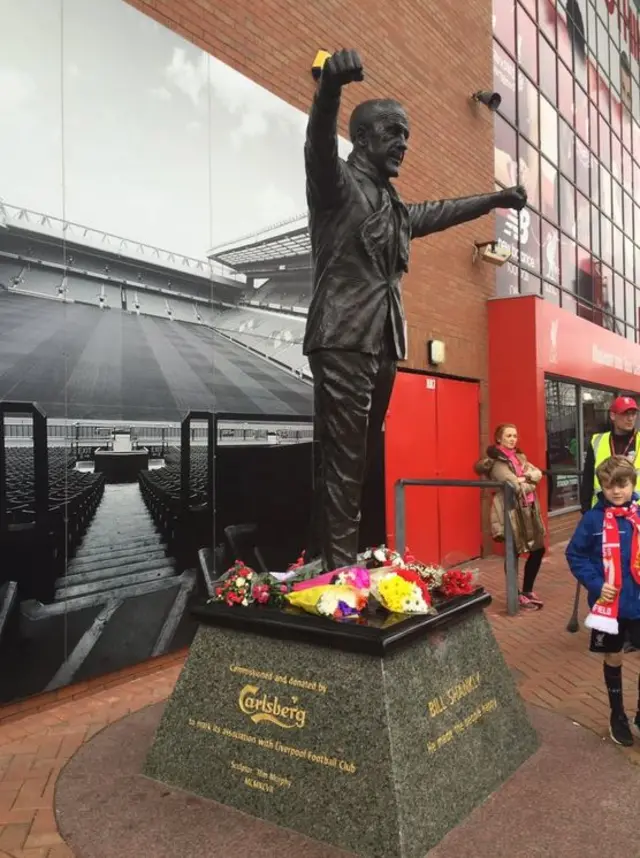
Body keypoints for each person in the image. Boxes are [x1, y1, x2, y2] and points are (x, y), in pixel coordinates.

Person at [304, 48, 528, 572]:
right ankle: (340, 575)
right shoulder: (336, 186)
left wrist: (493, 202)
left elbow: (441, 212)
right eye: (392, 132)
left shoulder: (394, 205)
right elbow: (316, 145)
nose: (403, 142)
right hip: (342, 336)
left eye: (405, 133)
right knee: (344, 463)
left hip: (380, 342)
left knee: (354, 463)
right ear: (362, 138)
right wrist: (330, 89)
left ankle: (329, 558)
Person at [566, 455, 640, 746]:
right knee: (614, 656)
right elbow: (575, 554)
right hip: (610, 607)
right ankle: (617, 714)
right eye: (609, 486)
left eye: (622, 485)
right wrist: (597, 584)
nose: (616, 492)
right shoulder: (593, 519)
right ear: (602, 487)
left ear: (632, 483)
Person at [475, 424, 546, 609]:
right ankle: (514, 595)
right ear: (499, 439)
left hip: (528, 509)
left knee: (538, 549)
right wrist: (529, 480)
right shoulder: (496, 462)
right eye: (508, 436)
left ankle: (527, 590)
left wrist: (527, 479)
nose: (512, 439)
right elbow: (514, 486)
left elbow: (538, 472)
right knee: (513, 552)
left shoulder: (520, 457)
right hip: (511, 511)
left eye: (515, 435)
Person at [580, 396, 640, 514]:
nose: (630, 418)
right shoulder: (597, 441)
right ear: (613, 416)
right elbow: (588, 478)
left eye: (633, 414)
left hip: (636, 512)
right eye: (625, 414)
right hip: (602, 510)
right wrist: (585, 510)